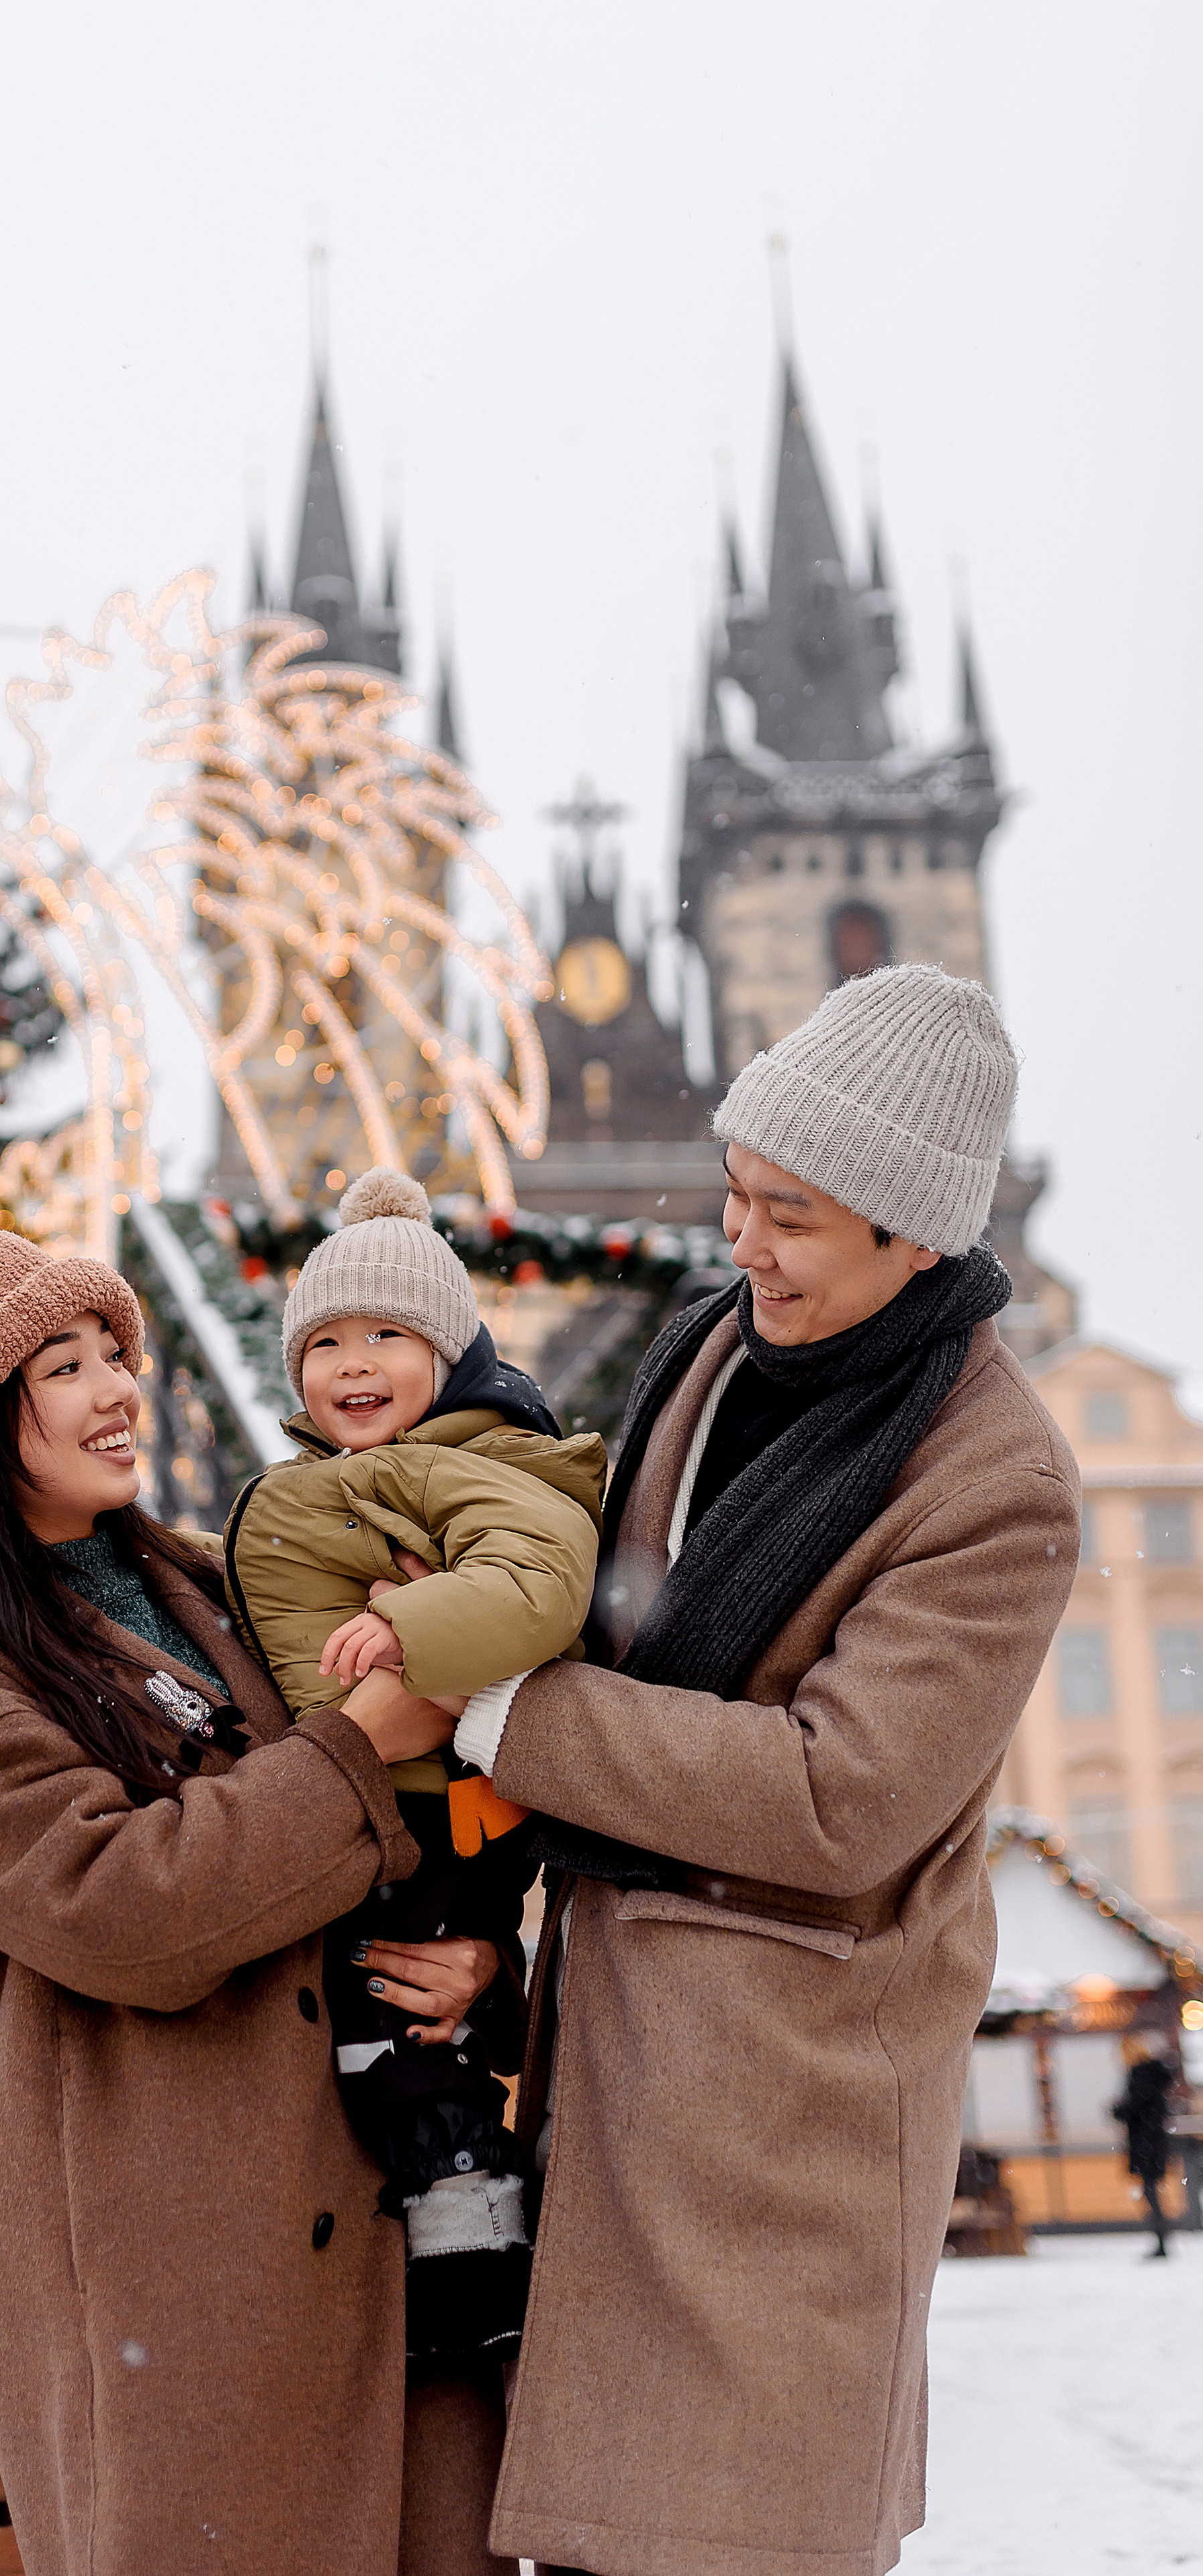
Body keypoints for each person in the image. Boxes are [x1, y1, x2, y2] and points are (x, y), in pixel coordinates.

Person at [448, 964, 1083, 2576]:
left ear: (912, 1233)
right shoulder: (708, 1346)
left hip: (782, 2108)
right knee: (594, 2532)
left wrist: (508, 1713)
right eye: (733, 1192)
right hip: (604, 2055)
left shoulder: (994, 1477)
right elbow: (608, 1613)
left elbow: (834, 1798)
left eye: (787, 1215)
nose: (741, 1240)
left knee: (733, 2533)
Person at [0, 1230, 510, 2576]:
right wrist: (357, 1744)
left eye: (117, 1354)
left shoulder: (224, 1582)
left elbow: (425, 1822)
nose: (118, 1389)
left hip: (383, 2219)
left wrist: (481, 1958)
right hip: (172, 2273)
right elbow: (126, 1911)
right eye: (63, 1366)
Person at [222, 1167, 605, 2364]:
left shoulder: (460, 1465)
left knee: (403, 2017)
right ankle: (450, 2220)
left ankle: (472, 2241)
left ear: (451, 1353)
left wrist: (412, 1628)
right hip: (381, 1799)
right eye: (324, 1342)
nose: (353, 1362)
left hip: (437, 1810)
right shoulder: (343, 1481)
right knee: (386, 2006)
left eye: (388, 1335)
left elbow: (542, 1578)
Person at [1113, 2034, 1177, 2255]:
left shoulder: (1140, 2075)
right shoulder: (1156, 2076)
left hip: (1145, 2142)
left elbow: (1136, 2107)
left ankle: (1161, 2236)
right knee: (1151, 2190)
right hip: (1153, 2141)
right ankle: (1161, 2235)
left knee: (1150, 2191)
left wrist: (1119, 2111)